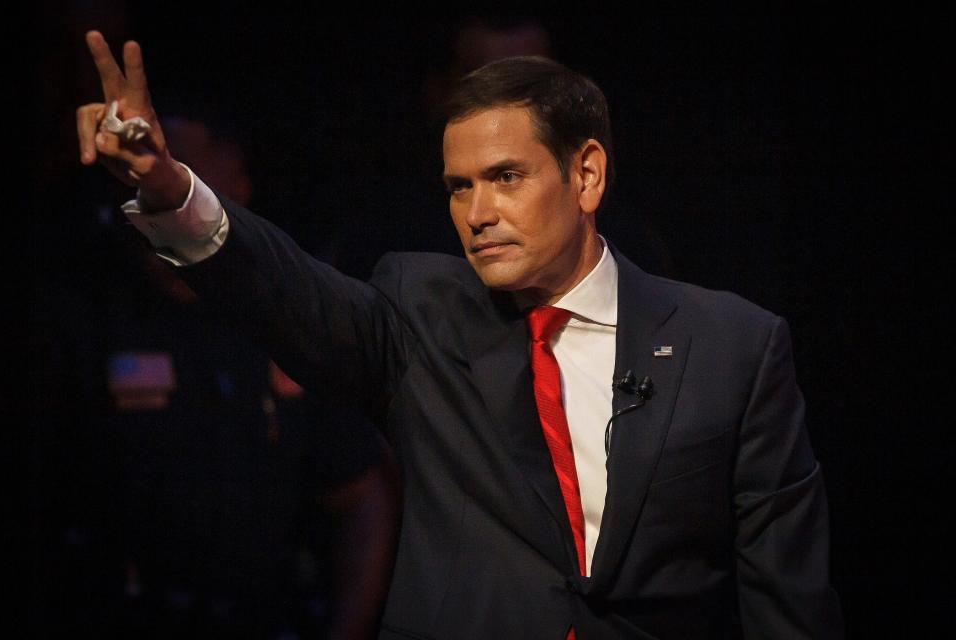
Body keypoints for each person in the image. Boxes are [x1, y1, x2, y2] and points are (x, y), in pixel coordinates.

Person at [77, 30, 843, 638]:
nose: (476, 213)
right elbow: (284, 290)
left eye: (505, 177)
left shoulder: (735, 346)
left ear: (587, 176)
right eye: (458, 186)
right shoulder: (420, 310)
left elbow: (790, 602)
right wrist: (169, 189)